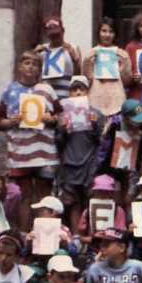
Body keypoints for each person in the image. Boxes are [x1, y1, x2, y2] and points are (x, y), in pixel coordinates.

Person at [0, 50, 59, 233]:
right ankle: (24, 235)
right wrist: (11, 121)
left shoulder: (47, 89)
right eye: (27, 63)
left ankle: (44, 237)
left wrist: (51, 118)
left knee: (44, 196)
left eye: (35, 64)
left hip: (44, 151)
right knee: (22, 195)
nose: (30, 67)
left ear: (40, 69)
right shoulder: (10, 90)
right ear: (19, 66)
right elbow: (0, 120)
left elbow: (61, 115)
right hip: (21, 151)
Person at [56, 75, 105, 231]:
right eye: (74, 89)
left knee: (90, 201)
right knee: (73, 203)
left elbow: (102, 142)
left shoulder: (97, 114)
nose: (78, 93)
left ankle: (90, 237)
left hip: (89, 164)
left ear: (87, 92)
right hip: (70, 164)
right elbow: (58, 143)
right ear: (69, 93)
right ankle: (76, 237)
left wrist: (95, 125)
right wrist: (62, 129)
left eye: (81, 89)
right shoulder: (62, 115)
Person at [96, 98, 142, 200]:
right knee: (115, 197)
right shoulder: (112, 127)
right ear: (126, 118)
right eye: (136, 120)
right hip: (110, 168)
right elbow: (102, 153)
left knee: (129, 197)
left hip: (134, 168)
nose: (139, 123)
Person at [85, 16, 131, 117]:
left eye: (111, 31)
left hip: (117, 100)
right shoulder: (91, 53)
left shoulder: (122, 54)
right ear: (98, 33)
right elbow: (87, 80)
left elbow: (127, 81)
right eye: (104, 31)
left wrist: (124, 63)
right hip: (96, 100)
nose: (107, 35)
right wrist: (87, 61)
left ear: (115, 34)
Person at [36, 16, 82, 100]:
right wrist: (34, 55)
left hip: (68, 96)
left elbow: (79, 75)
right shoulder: (42, 50)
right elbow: (36, 76)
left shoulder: (73, 47)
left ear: (63, 31)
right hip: (47, 97)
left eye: (57, 34)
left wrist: (74, 58)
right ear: (46, 34)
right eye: (52, 35)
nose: (55, 38)